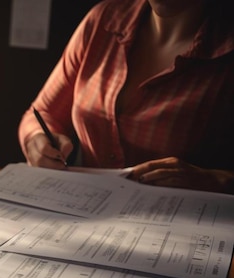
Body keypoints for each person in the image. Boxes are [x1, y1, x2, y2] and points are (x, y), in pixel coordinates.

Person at [18, 0, 234, 194]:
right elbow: (41, 113)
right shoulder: (103, 20)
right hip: (83, 211)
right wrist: (37, 140)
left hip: (179, 225)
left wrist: (214, 180)